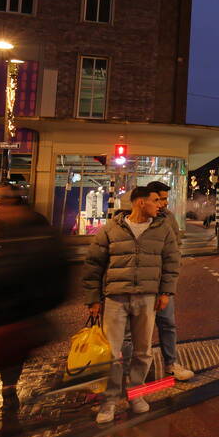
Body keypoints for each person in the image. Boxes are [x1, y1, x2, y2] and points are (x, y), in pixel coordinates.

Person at [83, 186, 180, 424]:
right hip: (116, 298)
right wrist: (93, 299)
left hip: (147, 298)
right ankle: (110, 401)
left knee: (143, 351)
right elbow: (93, 265)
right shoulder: (111, 229)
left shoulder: (163, 229)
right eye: (155, 200)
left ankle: (136, 394)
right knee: (113, 353)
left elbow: (172, 262)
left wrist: (166, 291)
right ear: (139, 203)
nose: (160, 205)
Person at [0, 183, 57, 426]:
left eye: (4, 197)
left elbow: (49, 256)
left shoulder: (33, 222)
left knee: (13, 351)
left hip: (17, 300)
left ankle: (10, 390)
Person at [141, 182, 194, 382]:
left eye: (165, 199)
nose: (163, 203)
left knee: (167, 323)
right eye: (159, 199)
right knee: (139, 329)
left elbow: (175, 249)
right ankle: (137, 371)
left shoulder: (168, 218)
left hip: (162, 282)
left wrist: (169, 281)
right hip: (142, 283)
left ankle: (171, 364)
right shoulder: (137, 219)